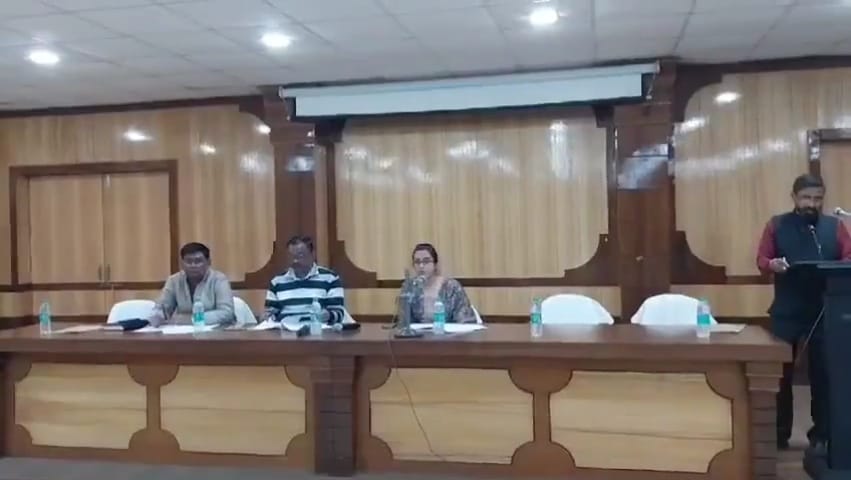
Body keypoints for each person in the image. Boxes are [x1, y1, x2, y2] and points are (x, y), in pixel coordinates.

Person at [756, 173, 851, 449]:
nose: (812, 203)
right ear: (794, 198)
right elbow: (762, 259)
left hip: (825, 312)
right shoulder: (776, 225)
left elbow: (848, 257)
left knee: (824, 376)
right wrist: (772, 265)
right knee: (780, 376)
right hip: (786, 311)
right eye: (806, 198)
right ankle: (779, 434)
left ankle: (822, 436)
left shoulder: (835, 227)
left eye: (818, 198)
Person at [264, 235, 346, 324]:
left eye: (300, 256)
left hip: (318, 328)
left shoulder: (330, 278)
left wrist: (328, 315)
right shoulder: (277, 282)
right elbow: (270, 313)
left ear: (313, 254)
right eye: (291, 257)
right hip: (285, 329)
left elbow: (339, 314)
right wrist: (267, 316)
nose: (295, 261)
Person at [150, 242, 235, 326]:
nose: (193, 265)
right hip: (184, 331)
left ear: (209, 262)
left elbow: (227, 313)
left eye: (198, 261)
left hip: (217, 331)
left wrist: (192, 319)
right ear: (182, 264)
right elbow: (162, 308)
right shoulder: (174, 280)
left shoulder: (219, 279)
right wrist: (158, 316)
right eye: (188, 261)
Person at [400, 243, 477, 324]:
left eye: (426, 261)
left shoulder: (451, 287)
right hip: (419, 332)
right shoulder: (409, 287)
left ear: (435, 264)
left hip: (449, 331)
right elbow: (404, 321)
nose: (421, 266)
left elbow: (465, 320)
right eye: (417, 262)